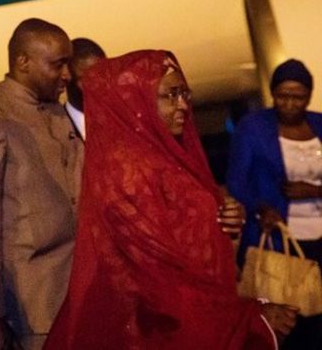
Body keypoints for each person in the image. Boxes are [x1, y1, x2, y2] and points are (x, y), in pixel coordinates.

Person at [46, 50, 296, 349]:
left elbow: (183, 224)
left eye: (184, 94)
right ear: (135, 101)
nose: (183, 106)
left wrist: (223, 217)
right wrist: (247, 317)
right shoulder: (128, 171)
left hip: (191, 310)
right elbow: (157, 270)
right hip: (161, 326)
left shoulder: (162, 156)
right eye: (170, 95)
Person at [0, 18, 83, 350]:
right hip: (36, 308)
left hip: (82, 295)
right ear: (23, 62)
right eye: (57, 65)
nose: (67, 75)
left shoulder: (57, 113)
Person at [228, 58, 322, 349]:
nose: (290, 104)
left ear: (309, 95)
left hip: (320, 235)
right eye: (282, 96)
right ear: (272, 93)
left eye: (298, 96)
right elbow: (236, 181)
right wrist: (261, 207)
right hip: (280, 238)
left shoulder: (320, 124)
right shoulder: (253, 127)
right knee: (291, 314)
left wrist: (313, 189)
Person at [64, 37, 106, 140]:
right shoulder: (50, 128)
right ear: (67, 76)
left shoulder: (121, 122)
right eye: (88, 80)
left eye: (103, 76)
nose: (98, 86)